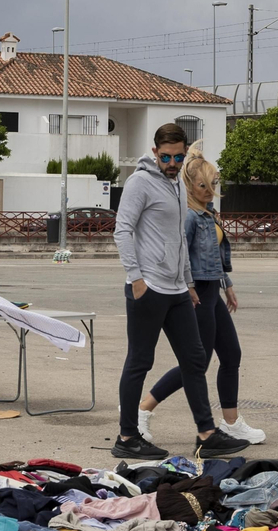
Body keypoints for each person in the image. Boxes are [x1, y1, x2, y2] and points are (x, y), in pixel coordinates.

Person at [112, 122, 248, 460]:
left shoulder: (175, 185)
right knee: (139, 361)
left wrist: (187, 282)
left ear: (184, 153)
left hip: (177, 290)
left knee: (194, 358)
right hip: (148, 287)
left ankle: (207, 434)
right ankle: (127, 437)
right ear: (155, 152)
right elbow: (122, 230)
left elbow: (178, 241)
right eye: (166, 156)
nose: (172, 163)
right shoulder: (139, 183)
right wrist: (136, 277)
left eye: (177, 157)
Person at [137, 141, 263, 446]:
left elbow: (217, 254)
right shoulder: (188, 217)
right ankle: (140, 411)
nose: (210, 190)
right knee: (198, 362)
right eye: (203, 185)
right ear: (190, 185)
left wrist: (227, 284)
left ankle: (231, 423)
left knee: (231, 354)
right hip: (194, 294)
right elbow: (180, 256)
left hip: (211, 289)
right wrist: (189, 289)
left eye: (214, 184)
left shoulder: (209, 212)